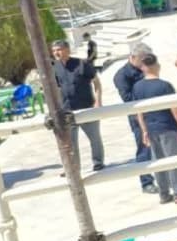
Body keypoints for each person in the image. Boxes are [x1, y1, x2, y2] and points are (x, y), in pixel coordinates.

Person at [131, 55, 177, 205]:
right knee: (175, 161)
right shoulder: (164, 86)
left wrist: (144, 130)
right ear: (157, 66)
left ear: (143, 67)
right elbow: (175, 109)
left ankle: (164, 194)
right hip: (168, 127)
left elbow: (138, 111)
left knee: (159, 163)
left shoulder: (137, 87)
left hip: (151, 128)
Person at [51, 39, 104, 172]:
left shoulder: (82, 64)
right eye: (54, 50)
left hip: (86, 107)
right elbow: (55, 89)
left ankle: (98, 162)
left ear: (67, 50)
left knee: (95, 138)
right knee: (70, 143)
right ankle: (74, 168)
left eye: (59, 49)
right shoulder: (54, 68)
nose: (56, 53)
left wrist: (98, 101)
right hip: (67, 111)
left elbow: (96, 83)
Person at [113, 42, 158, 195]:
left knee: (161, 146)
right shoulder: (122, 75)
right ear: (133, 57)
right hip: (139, 117)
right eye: (143, 58)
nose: (146, 61)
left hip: (156, 112)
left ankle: (165, 177)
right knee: (144, 149)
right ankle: (146, 183)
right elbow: (128, 98)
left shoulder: (146, 68)